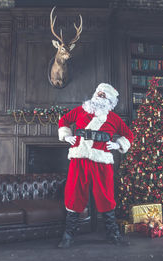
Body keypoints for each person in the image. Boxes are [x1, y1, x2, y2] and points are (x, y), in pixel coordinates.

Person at [57, 83, 134, 248]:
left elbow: (128, 135)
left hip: (102, 161)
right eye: (99, 92)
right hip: (79, 159)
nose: (100, 95)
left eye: (104, 94)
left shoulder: (114, 119)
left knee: (106, 196)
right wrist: (66, 136)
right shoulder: (80, 110)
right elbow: (63, 121)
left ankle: (113, 234)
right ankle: (68, 235)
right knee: (74, 193)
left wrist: (117, 145)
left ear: (110, 102)